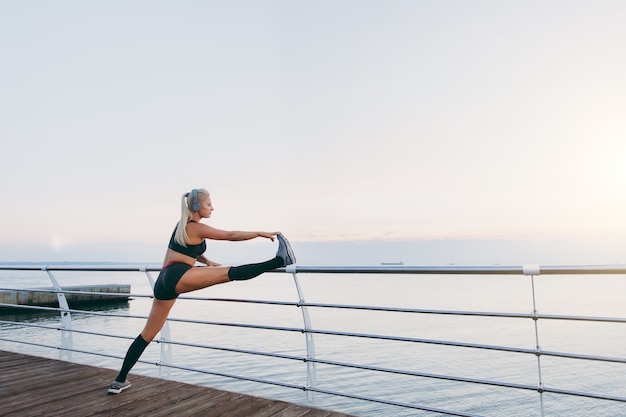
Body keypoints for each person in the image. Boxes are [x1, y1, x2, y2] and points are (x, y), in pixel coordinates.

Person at [107, 188, 295, 394]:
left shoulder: (182, 227)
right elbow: (230, 235)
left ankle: (119, 381)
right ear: (197, 206)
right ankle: (280, 260)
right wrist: (259, 233)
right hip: (178, 275)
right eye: (209, 204)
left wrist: (207, 262)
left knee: (147, 335)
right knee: (230, 273)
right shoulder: (197, 228)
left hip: (164, 280)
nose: (212, 208)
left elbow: (188, 250)